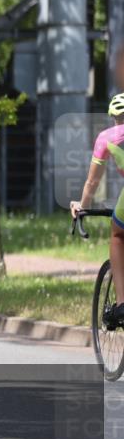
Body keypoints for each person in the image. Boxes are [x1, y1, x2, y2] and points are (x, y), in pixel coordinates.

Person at [72, 90, 124, 322]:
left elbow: (92, 181)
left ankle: (122, 304)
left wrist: (82, 207)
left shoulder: (107, 137)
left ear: (114, 117)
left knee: (118, 235)